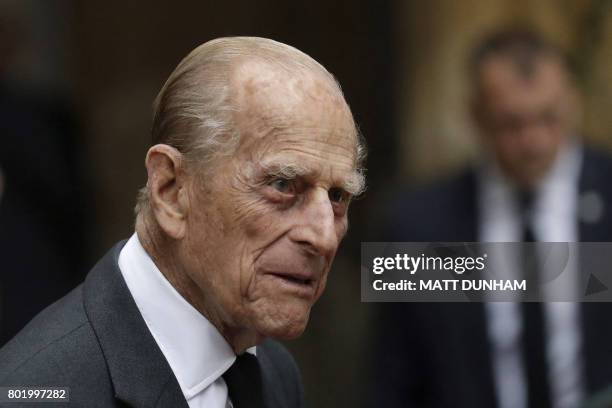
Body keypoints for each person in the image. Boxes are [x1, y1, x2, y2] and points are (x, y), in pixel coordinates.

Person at [0, 36, 366, 408]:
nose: (323, 236)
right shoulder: (38, 391)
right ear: (171, 190)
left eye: (338, 196)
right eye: (282, 184)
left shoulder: (272, 371)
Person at [368, 28, 612, 408]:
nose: (534, 142)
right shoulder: (415, 226)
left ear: (573, 103)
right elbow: (392, 379)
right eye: (512, 124)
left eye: (548, 118)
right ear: (477, 116)